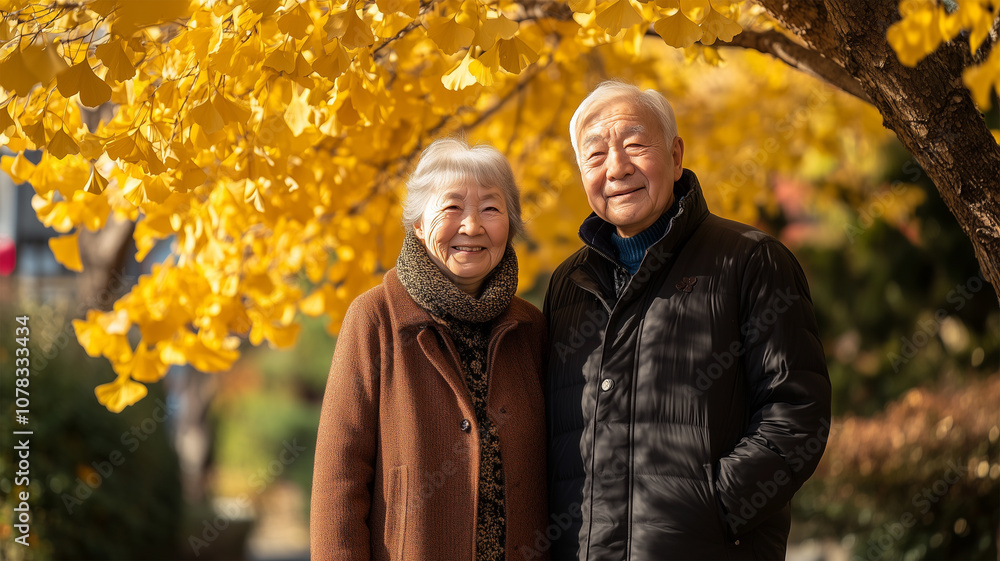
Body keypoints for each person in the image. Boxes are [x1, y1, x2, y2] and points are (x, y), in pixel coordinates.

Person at [544, 81, 832, 560]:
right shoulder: (568, 285)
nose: (617, 167)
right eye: (595, 155)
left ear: (676, 156)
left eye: (635, 145)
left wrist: (710, 510)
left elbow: (796, 412)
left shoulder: (749, 260)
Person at [311, 138, 549, 560]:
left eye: (490, 209)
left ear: (510, 226)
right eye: (452, 206)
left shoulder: (531, 328)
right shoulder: (375, 318)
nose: (471, 226)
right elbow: (338, 480)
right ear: (419, 223)